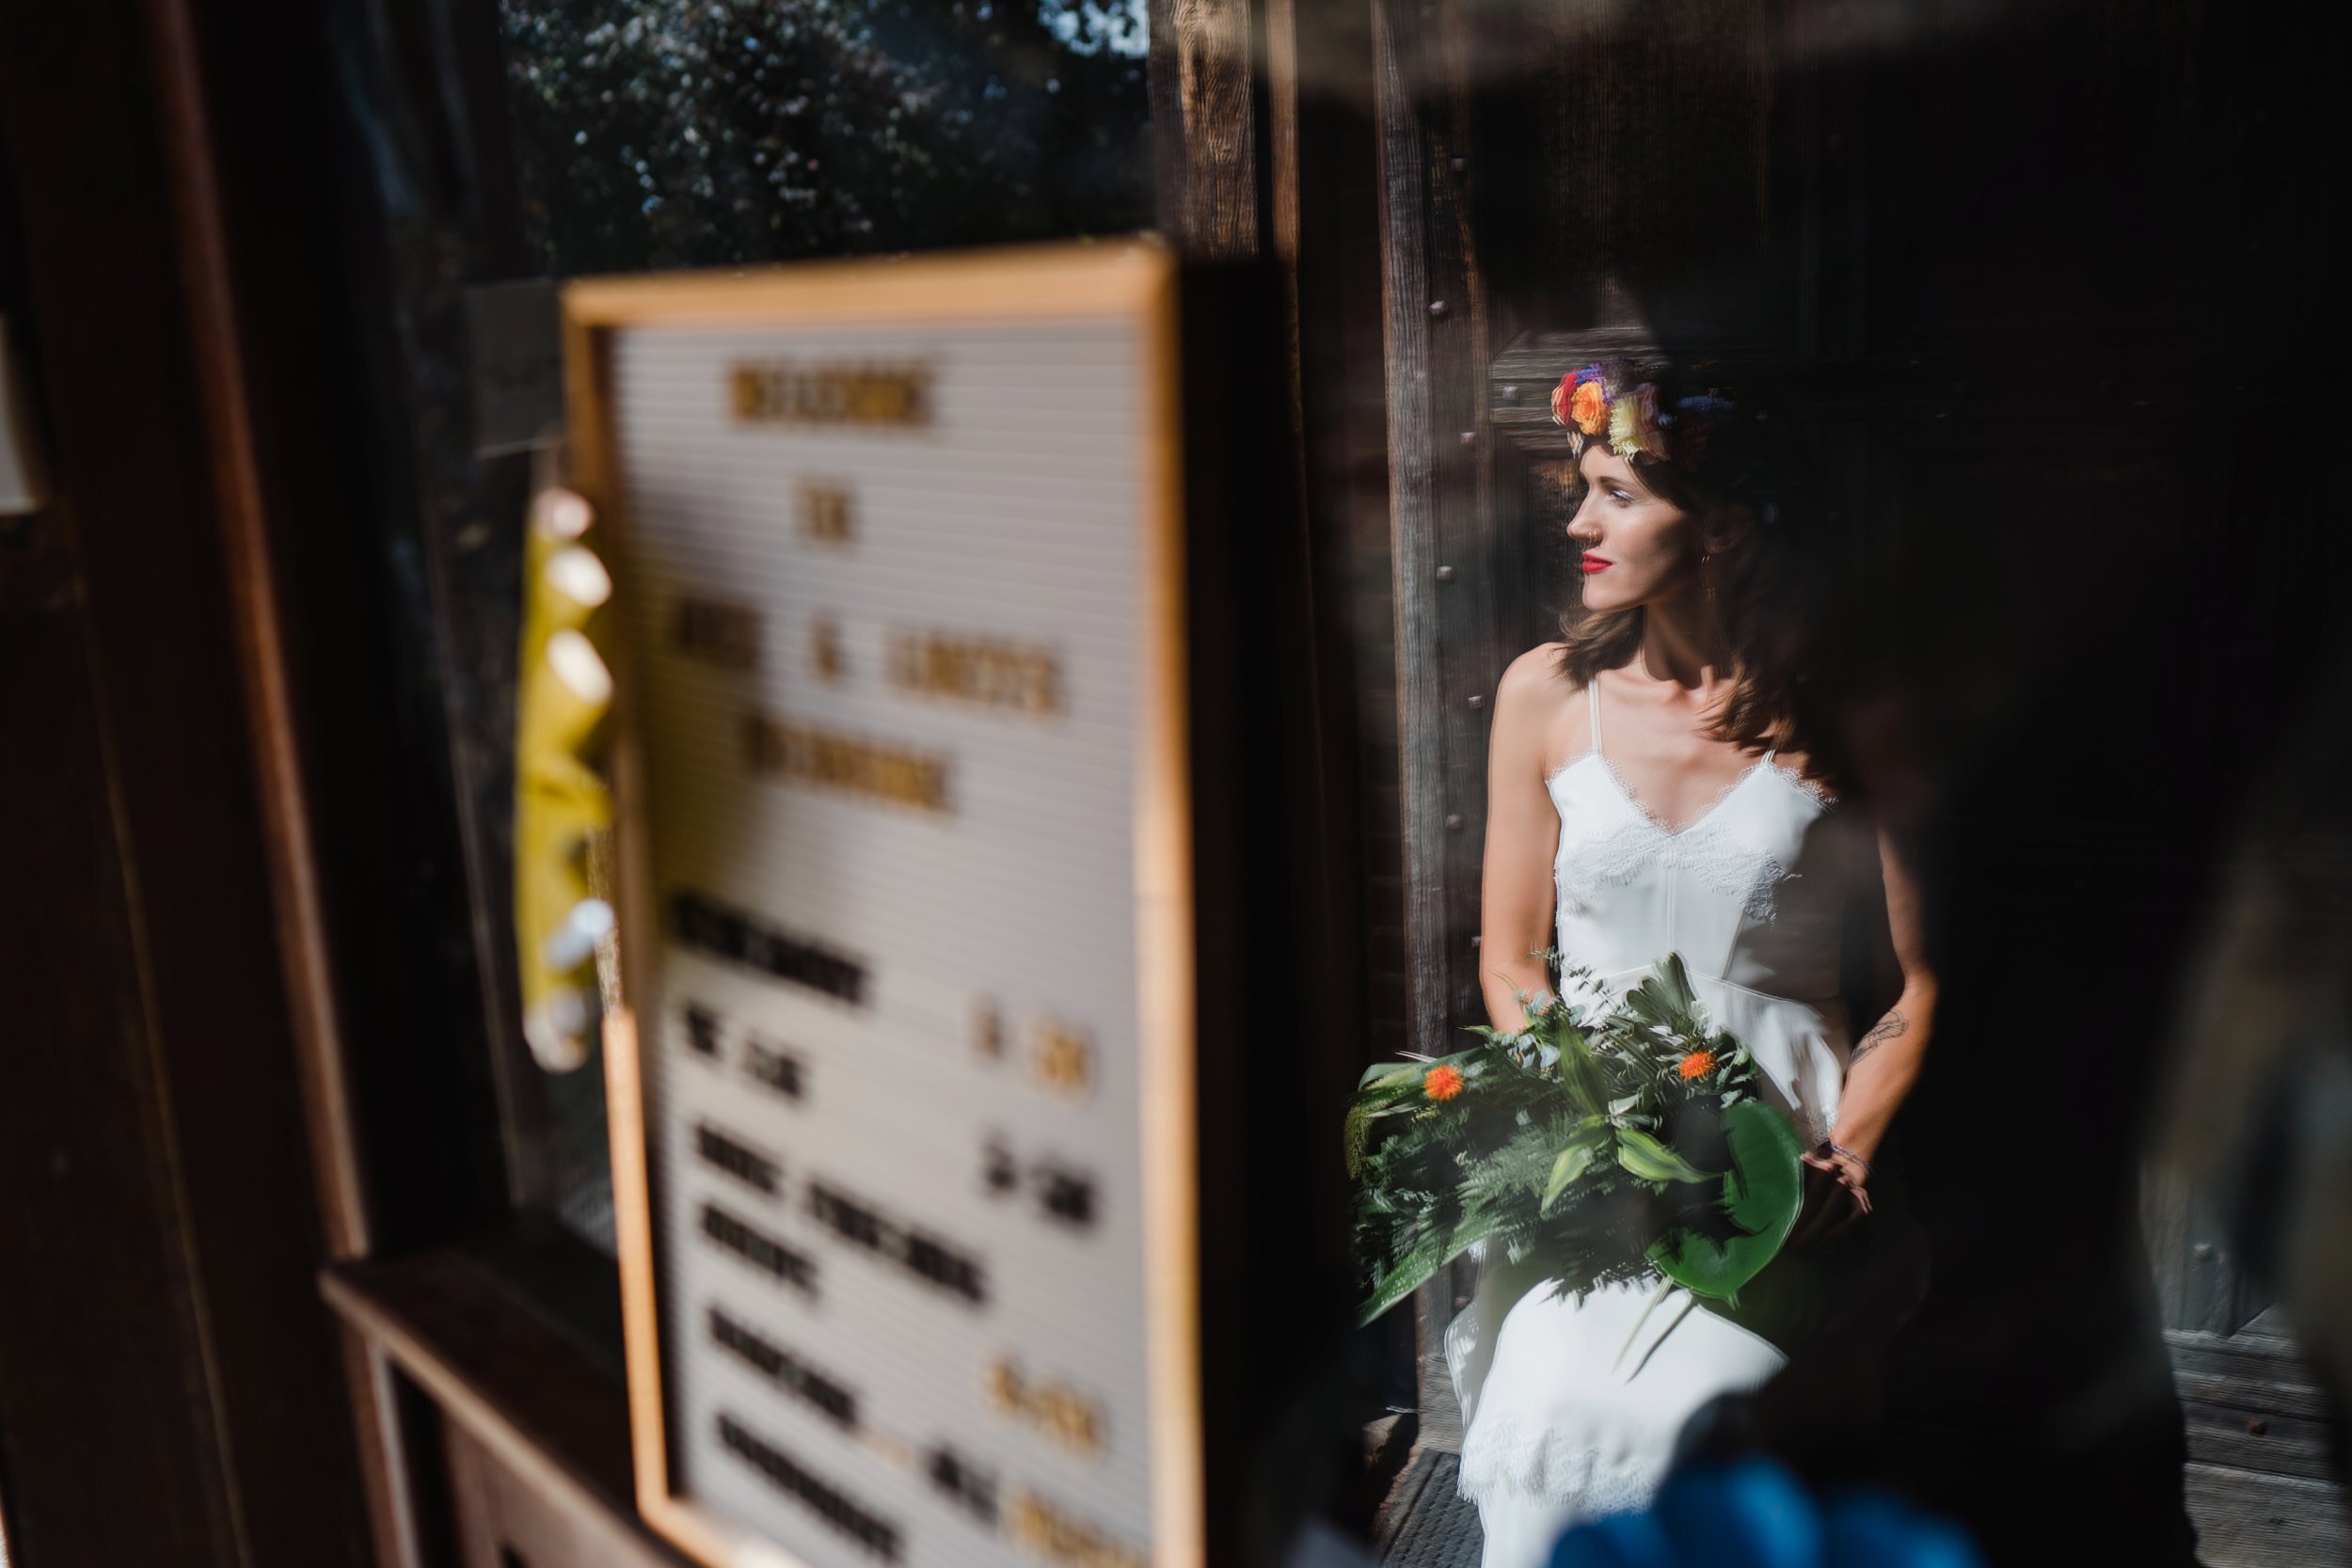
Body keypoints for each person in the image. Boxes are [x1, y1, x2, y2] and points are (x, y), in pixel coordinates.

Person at [1446, 363, 1937, 1568]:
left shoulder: (1855, 715)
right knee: (1557, 1410)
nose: (1577, 522)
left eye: (1614, 493)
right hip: (1591, 1148)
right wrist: (1587, 1119)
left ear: (1721, 526)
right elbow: (1511, 958)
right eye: (1582, 491)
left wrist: (1847, 1159)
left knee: (1709, 1438)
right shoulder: (1543, 695)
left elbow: (1922, 986)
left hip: (1776, 1167)